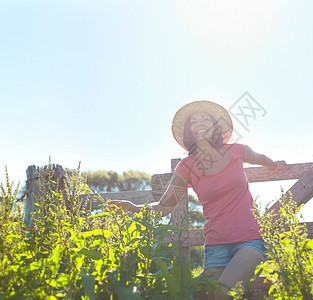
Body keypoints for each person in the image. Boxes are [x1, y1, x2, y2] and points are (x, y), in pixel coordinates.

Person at [110, 100, 289, 298]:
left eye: (206, 119)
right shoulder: (186, 166)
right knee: (203, 296)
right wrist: (134, 209)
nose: (200, 124)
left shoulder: (238, 150)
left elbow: (261, 158)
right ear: (189, 131)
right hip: (215, 246)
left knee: (223, 294)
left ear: (216, 126)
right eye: (193, 122)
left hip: (250, 240)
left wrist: (275, 165)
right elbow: (164, 206)